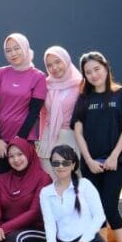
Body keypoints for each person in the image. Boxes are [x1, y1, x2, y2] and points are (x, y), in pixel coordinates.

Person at [72, 51, 122, 242]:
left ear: (106, 68)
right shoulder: (83, 98)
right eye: (88, 72)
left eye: (96, 69)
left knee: (109, 207)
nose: (93, 75)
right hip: (91, 165)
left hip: (115, 164)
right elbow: (78, 132)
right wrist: (88, 160)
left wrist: (113, 157)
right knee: (94, 211)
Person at [38, 145, 111, 242]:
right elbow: (50, 224)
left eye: (65, 162)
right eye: (56, 163)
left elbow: (99, 216)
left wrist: (83, 241)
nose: (60, 166)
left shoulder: (85, 185)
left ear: (73, 165)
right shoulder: (46, 192)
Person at [0, 137, 50, 242]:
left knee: (15, 239)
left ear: (28, 153)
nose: (16, 160)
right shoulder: (3, 179)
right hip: (8, 230)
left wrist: (2, 228)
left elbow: (34, 212)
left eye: (20, 154)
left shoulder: (43, 178)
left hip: (35, 230)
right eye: (11, 156)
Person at [0, 33, 46, 174]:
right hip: (0, 142)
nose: (13, 53)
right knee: (4, 180)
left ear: (25, 48)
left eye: (17, 48)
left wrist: (19, 141)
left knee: (24, 181)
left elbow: (34, 113)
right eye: (8, 50)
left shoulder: (38, 77)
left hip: (25, 140)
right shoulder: (0, 73)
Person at [39, 46, 82, 174]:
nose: (54, 68)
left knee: (74, 186)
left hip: (72, 139)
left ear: (66, 60)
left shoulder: (81, 85)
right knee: (50, 184)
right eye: (50, 65)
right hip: (49, 140)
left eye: (58, 62)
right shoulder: (45, 85)